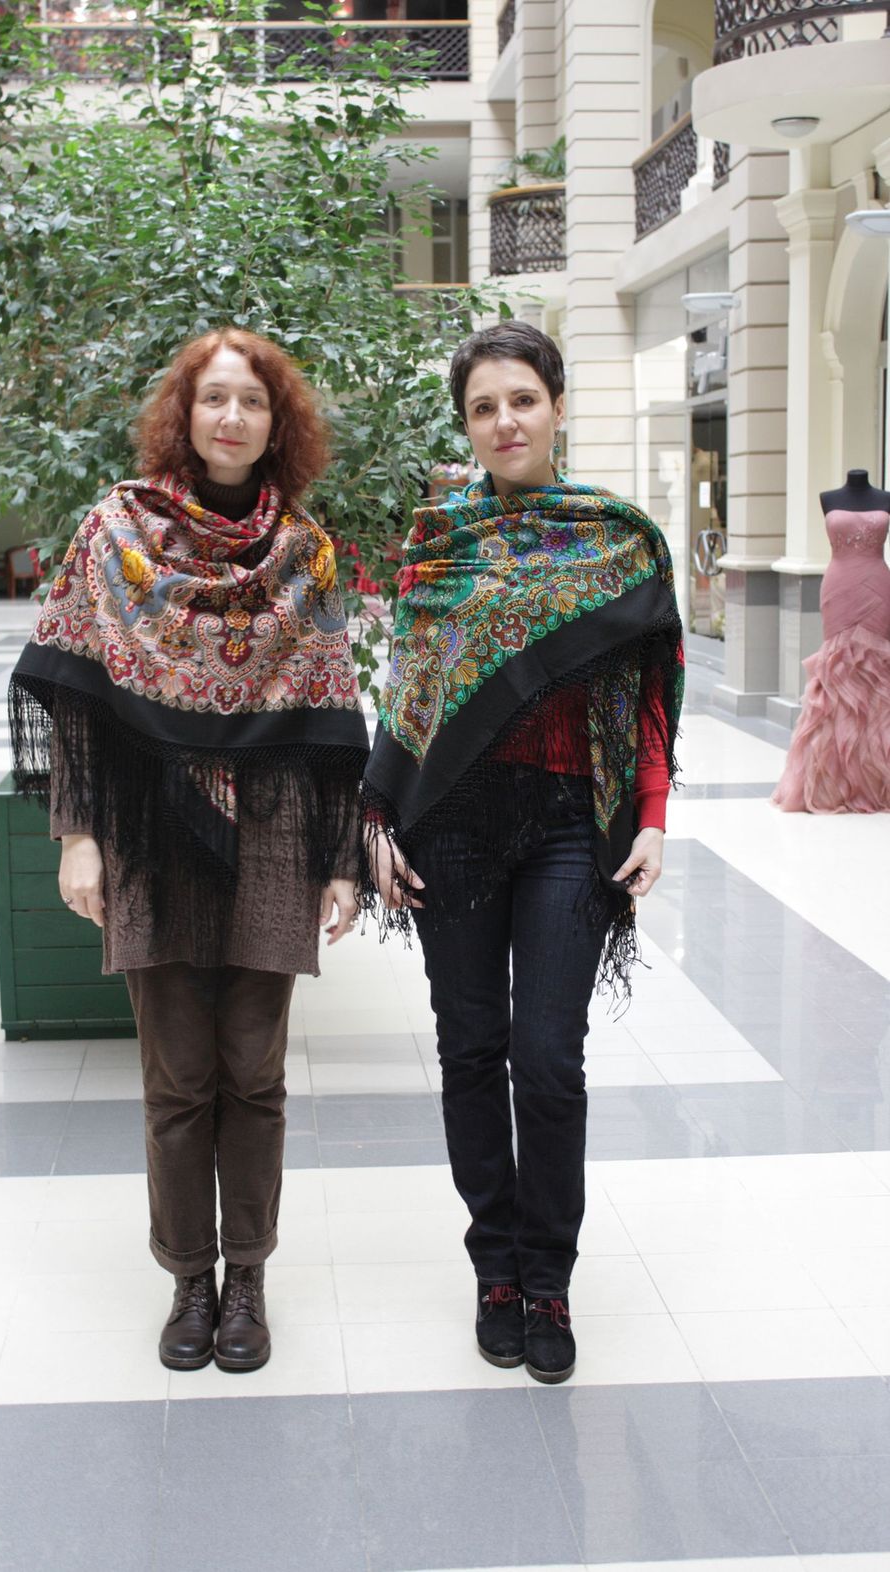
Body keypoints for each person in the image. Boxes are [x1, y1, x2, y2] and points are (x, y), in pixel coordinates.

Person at [9, 329, 369, 1373]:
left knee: (253, 1075)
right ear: (186, 413)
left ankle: (247, 1275)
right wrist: (78, 835)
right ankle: (189, 1280)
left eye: (251, 401)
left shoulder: (307, 552)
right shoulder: (115, 531)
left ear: (277, 422)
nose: (231, 417)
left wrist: (341, 860)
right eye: (214, 397)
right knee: (175, 1078)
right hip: (148, 827)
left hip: (275, 835)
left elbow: (333, 713)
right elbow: (79, 697)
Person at [362, 322, 682, 1384]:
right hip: (450, 826)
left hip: (567, 823)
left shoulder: (617, 540)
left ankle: (548, 1278)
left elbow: (644, 694)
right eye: (483, 408)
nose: (505, 422)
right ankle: (494, 1268)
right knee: (469, 1048)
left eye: (522, 400)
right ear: (467, 425)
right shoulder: (437, 542)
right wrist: (377, 818)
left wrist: (650, 815)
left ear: (556, 406)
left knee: (547, 1057)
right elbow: (409, 694)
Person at [772, 467, 890, 813]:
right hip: (839, 589)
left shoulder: (886, 499)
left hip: (878, 587)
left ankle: (876, 781)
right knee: (837, 673)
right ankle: (832, 784)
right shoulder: (829, 498)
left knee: (877, 677)